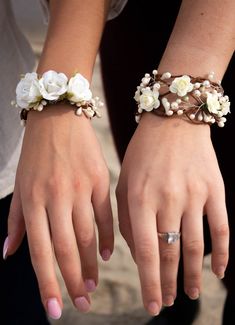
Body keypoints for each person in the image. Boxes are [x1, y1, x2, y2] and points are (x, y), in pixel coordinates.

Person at [0, 1, 234, 325]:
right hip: (133, 23)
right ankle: (177, 299)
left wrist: (183, 97)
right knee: (152, 203)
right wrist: (60, 90)